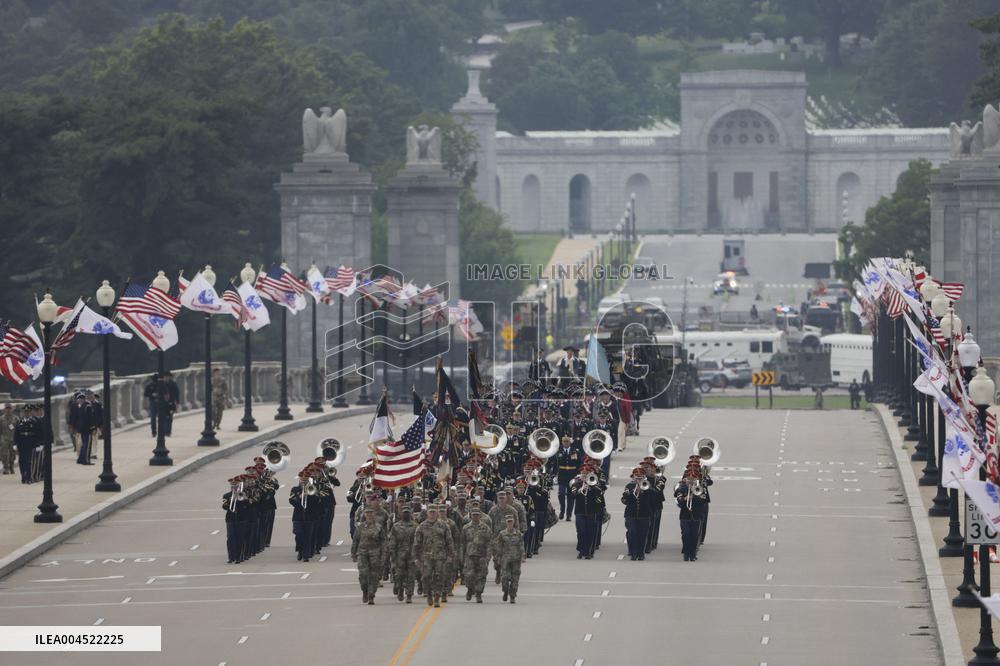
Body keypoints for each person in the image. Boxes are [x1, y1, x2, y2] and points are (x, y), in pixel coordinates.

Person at [413, 504, 455, 608]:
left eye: (434, 512)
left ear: (437, 513)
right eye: (430, 512)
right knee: (426, 577)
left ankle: (437, 597)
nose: (432, 514)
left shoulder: (444, 526)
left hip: (440, 557)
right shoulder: (421, 526)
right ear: (427, 513)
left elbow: (449, 541)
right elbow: (416, 543)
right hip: (426, 557)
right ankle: (429, 594)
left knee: (439, 577)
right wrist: (416, 558)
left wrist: (451, 555)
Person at [351, 506, 386, 605]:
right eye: (367, 513)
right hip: (362, 554)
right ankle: (365, 591)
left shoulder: (379, 527)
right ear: (364, 515)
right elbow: (356, 541)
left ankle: (371, 595)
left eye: (371, 513)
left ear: (373, 514)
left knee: (374, 576)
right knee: (363, 575)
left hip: (375, 554)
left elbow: (383, 542)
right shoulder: (360, 527)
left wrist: (383, 554)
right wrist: (353, 553)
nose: (369, 515)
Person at [462, 504, 492, 603]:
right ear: (470, 515)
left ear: (480, 516)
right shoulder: (466, 528)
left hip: (482, 555)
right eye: (473, 515)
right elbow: (462, 543)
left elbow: (489, 543)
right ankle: (470, 589)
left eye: (477, 515)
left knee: (481, 575)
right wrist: (460, 555)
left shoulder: (485, 528)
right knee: (468, 575)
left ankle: (479, 594)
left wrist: (488, 556)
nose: (475, 516)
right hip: (469, 555)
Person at [388, 505, 418, 603]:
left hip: (411, 555)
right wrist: (392, 554)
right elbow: (392, 541)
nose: (406, 514)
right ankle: (400, 589)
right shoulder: (396, 526)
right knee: (399, 575)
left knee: (411, 576)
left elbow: (418, 541)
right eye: (404, 513)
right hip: (399, 555)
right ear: (401, 514)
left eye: (407, 513)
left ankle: (409, 595)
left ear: (410, 514)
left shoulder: (415, 526)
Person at [495, 514, 525, 603]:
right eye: (508, 522)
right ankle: (505, 591)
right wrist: (498, 557)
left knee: (515, 579)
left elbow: (521, 545)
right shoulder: (502, 534)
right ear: (506, 523)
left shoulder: (518, 534)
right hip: (506, 560)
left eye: (511, 522)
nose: (510, 523)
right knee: (504, 578)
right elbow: (498, 546)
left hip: (516, 559)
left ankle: (512, 596)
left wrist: (523, 555)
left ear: (513, 522)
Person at [0, 402, 16, 475]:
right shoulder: (1, 419)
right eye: (7, 408)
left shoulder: (15, 418)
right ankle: (6, 468)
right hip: (4, 438)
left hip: (13, 438)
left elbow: (18, 429)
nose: (8, 410)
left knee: (12, 454)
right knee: (4, 454)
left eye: (9, 408)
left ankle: (11, 467)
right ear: (4, 409)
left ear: (12, 409)